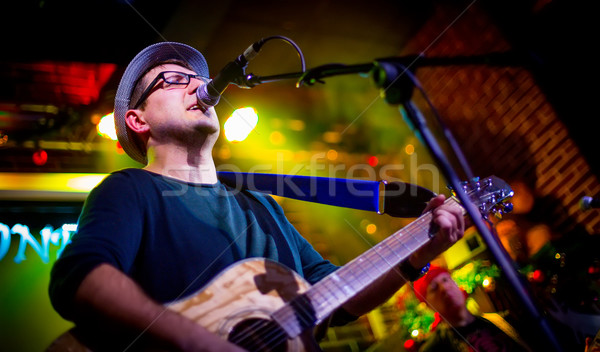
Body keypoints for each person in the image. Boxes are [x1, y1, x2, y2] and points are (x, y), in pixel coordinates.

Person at [48, 41, 465, 351]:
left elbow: (334, 300)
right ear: (137, 120)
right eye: (174, 79)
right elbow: (80, 279)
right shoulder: (130, 190)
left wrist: (417, 252)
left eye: (198, 77)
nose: (200, 86)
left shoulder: (261, 204)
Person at [414, 265, 532, 352]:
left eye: (445, 280)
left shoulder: (503, 320)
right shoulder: (434, 349)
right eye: (434, 288)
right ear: (428, 305)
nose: (444, 288)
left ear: (457, 285)